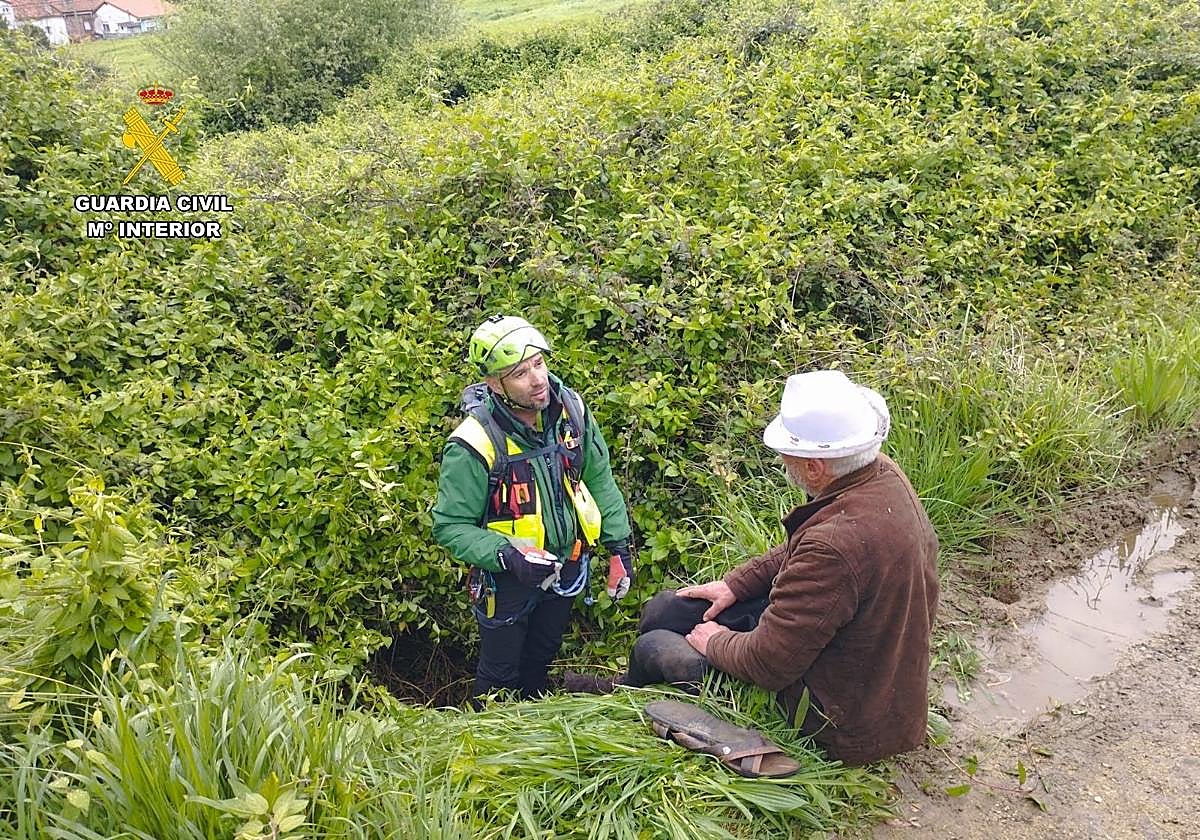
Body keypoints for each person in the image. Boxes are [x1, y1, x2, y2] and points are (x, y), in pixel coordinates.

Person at [566, 370, 939, 766]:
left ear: (815, 467)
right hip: (863, 663)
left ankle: (629, 694)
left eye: (787, 453)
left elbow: (768, 663)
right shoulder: (877, 475)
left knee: (654, 646)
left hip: (837, 718)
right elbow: (809, 549)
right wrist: (735, 585)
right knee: (666, 608)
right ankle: (633, 685)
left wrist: (714, 641)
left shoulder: (833, 545)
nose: (783, 461)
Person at [432, 314, 634, 701]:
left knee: (540, 661)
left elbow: (599, 477)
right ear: (495, 383)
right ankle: (487, 743)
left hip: (568, 563)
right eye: (521, 373)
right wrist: (507, 555)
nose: (537, 379)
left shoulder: (571, 411)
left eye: (539, 364)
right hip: (506, 578)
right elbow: (451, 526)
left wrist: (618, 548)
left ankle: (536, 735)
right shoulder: (473, 443)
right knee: (499, 676)